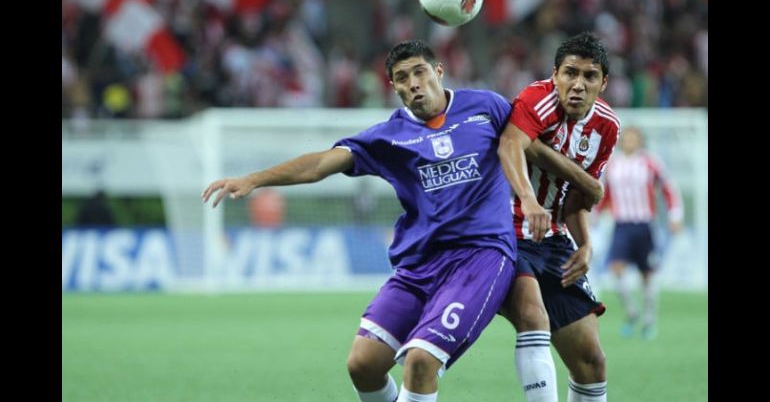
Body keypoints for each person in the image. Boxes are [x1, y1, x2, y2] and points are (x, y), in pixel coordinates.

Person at [202, 39, 601, 402]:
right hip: (418, 267)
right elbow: (322, 163)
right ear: (393, 87)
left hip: (480, 258)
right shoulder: (389, 136)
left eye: (419, 72)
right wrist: (255, 179)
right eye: (401, 79)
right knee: (363, 365)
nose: (413, 84)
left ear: (439, 72)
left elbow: (528, 147)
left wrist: (584, 186)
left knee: (420, 361)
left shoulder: (488, 107)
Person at [497, 32, 620, 402]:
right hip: (503, 231)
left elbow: (575, 202)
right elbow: (511, 144)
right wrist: (528, 199)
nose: (578, 85)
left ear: (603, 83)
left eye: (589, 76)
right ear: (555, 75)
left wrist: (585, 244)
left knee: (590, 361)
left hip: (551, 238)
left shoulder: (606, 127)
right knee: (534, 316)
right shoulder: (536, 99)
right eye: (570, 73)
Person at [596, 126, 683, 340]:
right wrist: (594, 215)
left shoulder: (650, 162)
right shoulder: (613, 164)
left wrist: (674, 215)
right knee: (616, 270)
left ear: (640, 141)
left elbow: (668, 187)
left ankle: (649, 320)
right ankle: (632, 312)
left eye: (634, 138)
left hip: (645, 225)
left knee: (648, 274)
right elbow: (603, 193)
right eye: (626, 138)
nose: (629, 141)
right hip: (621, 225)